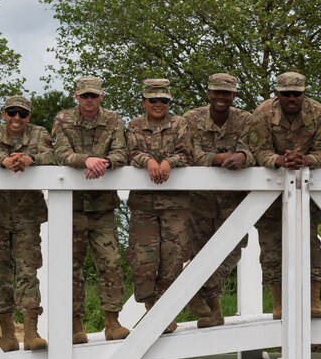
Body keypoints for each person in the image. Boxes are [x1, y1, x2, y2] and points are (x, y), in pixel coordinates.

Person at [247, 71, 321, 319]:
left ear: (304, 94)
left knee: (310, 243)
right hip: (270, 190)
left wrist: (307, 160)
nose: (291, 98)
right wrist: (279, 160)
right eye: (286, 94)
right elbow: (258, 149)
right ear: (278, 94)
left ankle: (314, 299)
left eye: (296, 94)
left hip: (306, 190)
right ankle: (279, 302)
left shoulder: (319, 114)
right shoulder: (263, 113)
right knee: (270, 245)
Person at [52, 76, 129, 344]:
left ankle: (112, 322)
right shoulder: (63, 119)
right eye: (84, 95)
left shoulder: (114, 120)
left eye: (93, 96)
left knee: (110, 264)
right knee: (71, 268)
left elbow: (122, 154)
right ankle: (75, 325)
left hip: (103, 207)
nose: (88, 100)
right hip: (70, 208)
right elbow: (61, 154)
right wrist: (86, 159)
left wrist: (104, 163)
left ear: (101, 96)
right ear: (76, 96)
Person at [0, 95, 55, 351]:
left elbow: (51, 154)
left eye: (22, 114)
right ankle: (7, 333)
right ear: (3, 114)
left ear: (29, 118)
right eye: (11, 113)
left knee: (27, 272)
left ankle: (31, 331)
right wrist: (3, 160)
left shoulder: (39, 133)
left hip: (27, 215)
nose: (16, 118)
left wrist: (31, 159)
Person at [183, 73, 255, 329]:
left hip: (233, 201)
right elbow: (187, 151)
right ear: (209, 93)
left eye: (226, 93)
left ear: (233, 95)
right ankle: (212, 311)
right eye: (217, 92)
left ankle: (190, 286)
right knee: (201, 252)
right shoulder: (191, 119)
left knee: (233, 250)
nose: (221, 97)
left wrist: (243, 157)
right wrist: (215, 159)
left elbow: (254, 148)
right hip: (200, 200)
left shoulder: (245, 119)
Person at [127, 78, 193, 334]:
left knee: (175, 258)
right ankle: (152, 307)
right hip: (143, 205)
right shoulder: (133, 126)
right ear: (144, 102)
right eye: (153, 100)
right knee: (143, 258)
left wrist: (169, 162)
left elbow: (187, 153)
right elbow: (130, 153)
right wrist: (147, 161)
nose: (158, 104)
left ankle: (164, 311)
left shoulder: (180, 124)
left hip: (175, 203)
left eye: (163, 100)